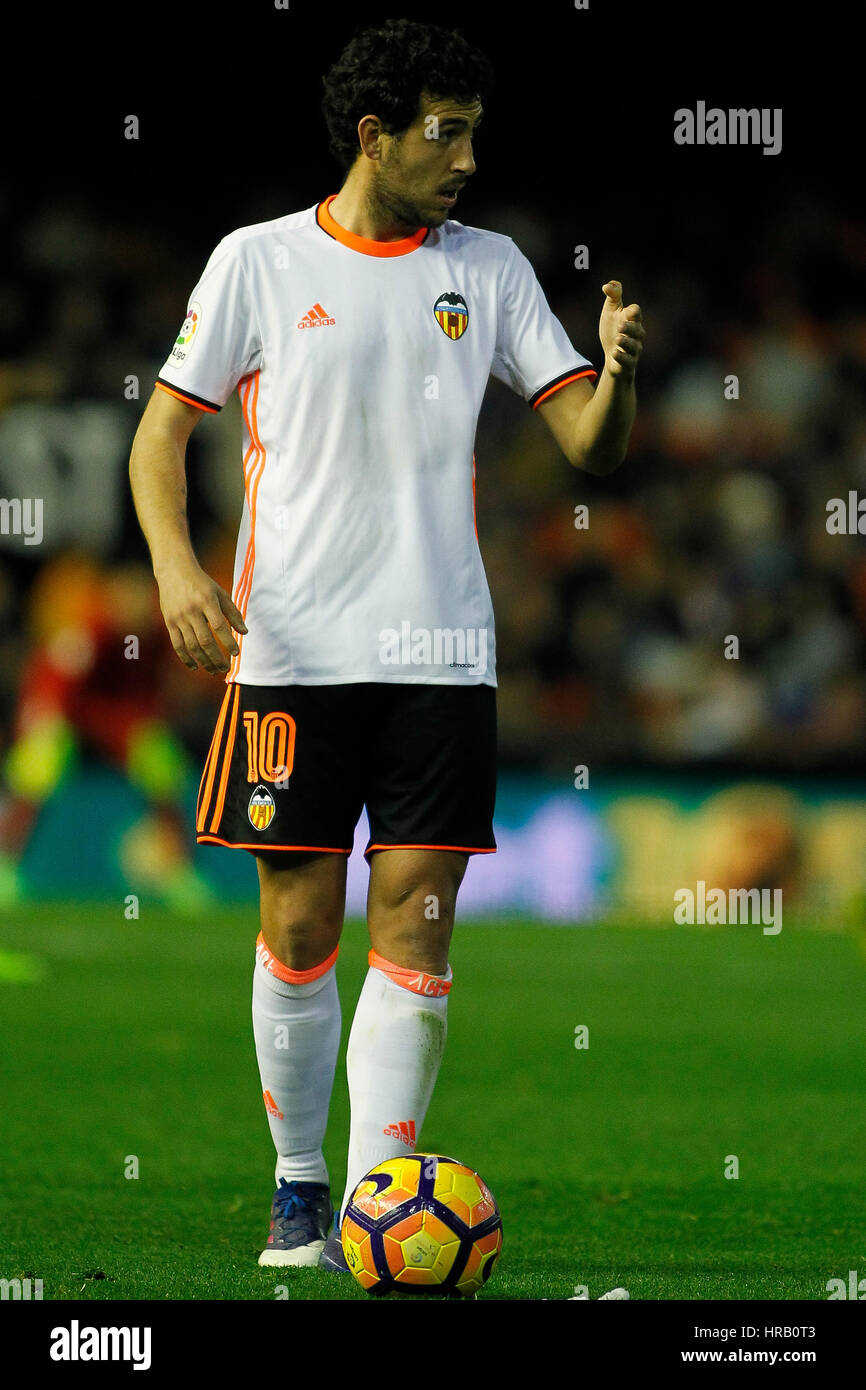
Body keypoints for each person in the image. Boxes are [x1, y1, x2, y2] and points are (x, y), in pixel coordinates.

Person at [128, 17, 644, 1273]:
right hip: (293, 649)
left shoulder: (494, 266)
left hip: (440, 655)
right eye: (445, 132)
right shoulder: (256, 260)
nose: (466, 157)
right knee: (301, 928)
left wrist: (617, 373)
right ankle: (299, 1184)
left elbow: (593, 445)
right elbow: (159, 436)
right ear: (377, 134)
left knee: (414, 922)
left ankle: (376, 1198)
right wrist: (179, 568)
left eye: (471, 131)